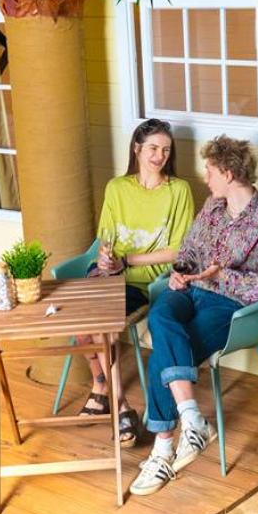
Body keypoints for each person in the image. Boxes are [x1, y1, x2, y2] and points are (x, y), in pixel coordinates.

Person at [129, 136, 258, 497]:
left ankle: (162, 450)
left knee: (166, 352)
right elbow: (188, 251)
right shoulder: (212, 208)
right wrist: (180, 272)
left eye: (210, 171)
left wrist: (222, 276)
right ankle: (193, 419)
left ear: (229, 174)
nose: (205, 178)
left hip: (230, 306)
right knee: (161, 316)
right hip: (189, 291)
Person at [79, 118, 195, 444]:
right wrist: (105, 258)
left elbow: (179, 251)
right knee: (79, 321)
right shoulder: (117, 188)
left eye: (166, 150)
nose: (160, 156)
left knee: (98, 323)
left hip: (144, 282)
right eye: (153, 148)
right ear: (137, 149)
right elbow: (106, 239)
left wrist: (127, 261)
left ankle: (117, 405)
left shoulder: (178, 191)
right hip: (107, 273)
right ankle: (103, 388)